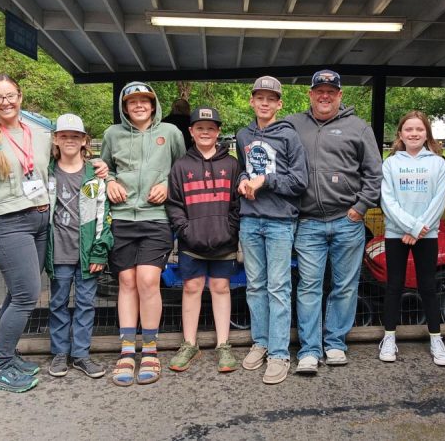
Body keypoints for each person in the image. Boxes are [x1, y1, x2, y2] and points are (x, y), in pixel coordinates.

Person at [0, 74, 107, 393]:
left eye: (10, 95)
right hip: (8, 225)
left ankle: (9, 354)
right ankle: (0, 365)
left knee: (17, 293)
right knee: (27, 295)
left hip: (41, 223)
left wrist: (100, 166)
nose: (6, 102)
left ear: (20, 96)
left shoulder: (38, 134)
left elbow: (69, 158)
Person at [285, 69, 382, 373]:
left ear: (340, 95)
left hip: (347, 221)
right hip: (308, 222)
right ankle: (310, 350)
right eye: (319, 91)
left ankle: (336, 343)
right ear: (310, 94)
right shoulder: (292, 124)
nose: (324, 96)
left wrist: (360, 208)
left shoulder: (359, 128)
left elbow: (374, 174)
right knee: (308, 287)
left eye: (331, 91)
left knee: (345, 286)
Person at [100, 82, 186, 386]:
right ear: (125, 107)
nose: (139, 105)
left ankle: (150, 349)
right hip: (122, 217)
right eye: (132, 101)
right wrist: (110, 181)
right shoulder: (112, 135)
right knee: (126, 282)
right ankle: (126, 350)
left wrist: (167, 186)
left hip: (157, 218)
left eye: (144, 101)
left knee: (148, 281)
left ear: (153, 105)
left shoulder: (171, 133)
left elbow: (182, 169)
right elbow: (104, 168)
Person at [236, 76, 308, 384]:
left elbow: (300, 181)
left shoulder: (289, 136)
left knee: (278, 288)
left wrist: (266, 180)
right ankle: (261, 342)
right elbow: (243, 168)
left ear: (279, 104)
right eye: (259, 98)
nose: (264, 103)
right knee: (255, 286)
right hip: (250, 219)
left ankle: (279, 353)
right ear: (251, 101)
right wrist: (243, 180)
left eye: (271, 98)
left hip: (280, 221)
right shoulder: (243, 135)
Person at [165, 106, 241, 373]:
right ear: (191, 131)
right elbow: (174, 204)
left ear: (218, 132)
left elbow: (238, 203)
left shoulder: (232, 164)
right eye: (200, 128)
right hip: (191, 242)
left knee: (221, 287)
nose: (205, 132)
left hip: (224, 241)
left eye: (210, 128)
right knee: (191, 288)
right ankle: (189, 344)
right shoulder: (181, 165)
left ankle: (223, 345)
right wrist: (185, 230)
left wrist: (229, 230)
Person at [378, 111, 445, 365]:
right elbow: (388, 201)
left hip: (426, 234)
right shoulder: (390, 164)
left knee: (428, 286)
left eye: (419, 129)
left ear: (427, 133)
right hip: (397, 233)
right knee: (394, 285)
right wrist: (411, 227)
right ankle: (389, 337)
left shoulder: (438, 164)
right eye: (409, 129)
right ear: (400, 134)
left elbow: (438, 200)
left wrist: (418, 229)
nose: (414, 133)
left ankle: (436, 338)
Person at [45, 114, 113, 379]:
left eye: (75, 136)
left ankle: (81, 354)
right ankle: (60, 352)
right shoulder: (47, 172)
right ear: (56, 139)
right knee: (58, 303)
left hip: (86, 252)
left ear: (84, 140)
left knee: (86, 303)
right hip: (59, 251)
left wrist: (100, 250)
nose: (70, 140)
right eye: (64, 136)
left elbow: (103, 214)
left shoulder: (94, 175)